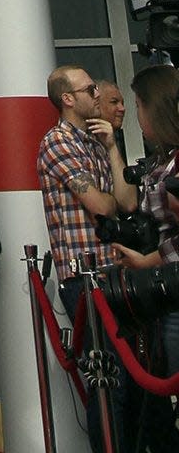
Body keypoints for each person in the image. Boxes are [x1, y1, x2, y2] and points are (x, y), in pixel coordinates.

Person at [36, 64, 139, 450]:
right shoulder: (57, 142)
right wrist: (110, 203)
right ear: (68, 99)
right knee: (108, 384)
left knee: (129, 381)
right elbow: (101, 206)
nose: (97, 95)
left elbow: (127, 203)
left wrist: (112, 147)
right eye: (90, 89)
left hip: (115, 271)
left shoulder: (97, 141)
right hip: (85, 280)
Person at [109, 64, 179, 376]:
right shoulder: (161, 161)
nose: (134, 114)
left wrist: (147, 260)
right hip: (166, 290)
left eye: (138, 105)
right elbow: (128, 203)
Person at [94, 79, 128, 159]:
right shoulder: (84, 143)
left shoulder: (112, 141)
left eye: (122, 103)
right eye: (114, 102)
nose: (122, 108)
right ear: (96, 104)